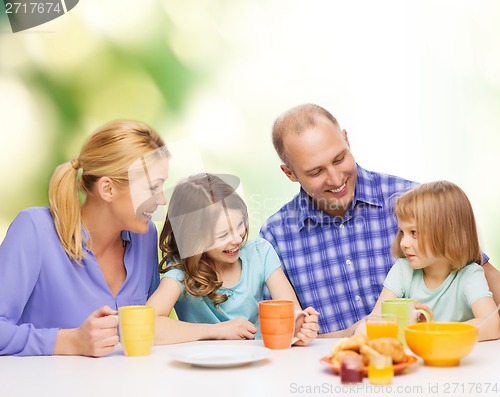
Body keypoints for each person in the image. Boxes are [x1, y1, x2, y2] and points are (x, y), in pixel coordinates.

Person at [260, 103, 500, 337]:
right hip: (329, 370)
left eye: (339, 159)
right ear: (289, 173)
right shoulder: (275, 236)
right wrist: (348, 335)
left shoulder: (411, 202)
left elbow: (475, 268)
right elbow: (279, 338)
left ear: (346, 139)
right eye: (316, 172)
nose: (335, 179)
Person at [0, 120, 170, 356]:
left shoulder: (145, 236)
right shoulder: (35, 230)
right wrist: (69, 341)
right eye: (153, 188)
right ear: (108, 189)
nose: (161, 200)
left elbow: (153, 327)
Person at [146, 173, 319, 345]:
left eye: (240, 225)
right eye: (222, 235)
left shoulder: (260, 253)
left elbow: (291, 312)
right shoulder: (182, 271)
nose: (237, 239)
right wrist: (216, 331)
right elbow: (147, 326)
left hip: (258, 362)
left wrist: (299, 329)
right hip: (204, 368)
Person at [357, 181, 500, 341]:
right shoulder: (403, 270)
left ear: (448, 234)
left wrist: (432, 330)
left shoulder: (470, 274)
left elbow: (492, 326)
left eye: (414, 232)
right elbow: (372, 322)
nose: (403, 242)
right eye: (402, 232)